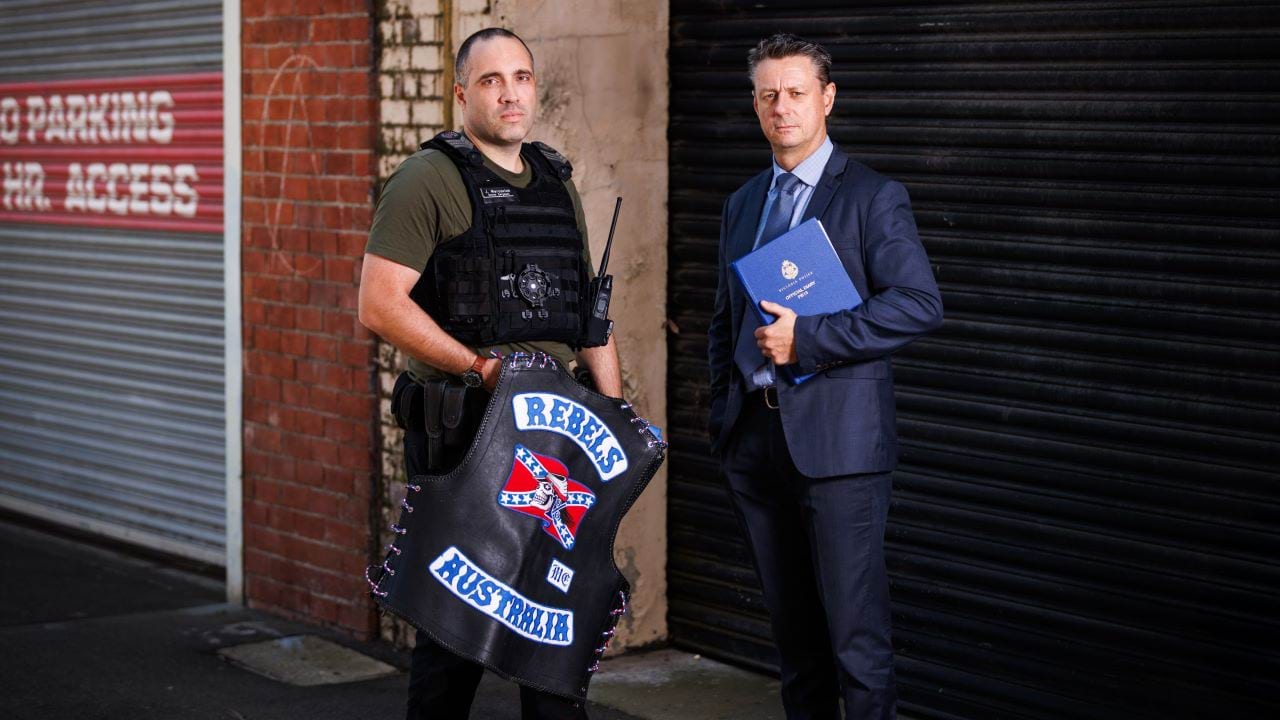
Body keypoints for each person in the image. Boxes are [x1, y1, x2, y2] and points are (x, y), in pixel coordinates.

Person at [359, 27, 621, 720]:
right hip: (467, 436)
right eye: (490, 80)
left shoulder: (557, 182)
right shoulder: (429, 179)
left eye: (522, 77)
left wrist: (614, 422)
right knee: (455, 638)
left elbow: (589, 314)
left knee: (554, 636)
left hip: (554, 441)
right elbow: (379, 304)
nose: (510, 93)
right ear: (461, 94)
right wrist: (480, 368)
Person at [706, 33, 944, 720]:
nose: (782, 107)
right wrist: (724, 420)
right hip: (755, 446)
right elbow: (724, 318)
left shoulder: (873, 196)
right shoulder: (743, 202)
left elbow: (919, 304)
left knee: (855, 647)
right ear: (756, 105)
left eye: (797, 92)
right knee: (796, 647)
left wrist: (806, 340)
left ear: (827, 99)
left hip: (840, 453)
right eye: (768, 94)